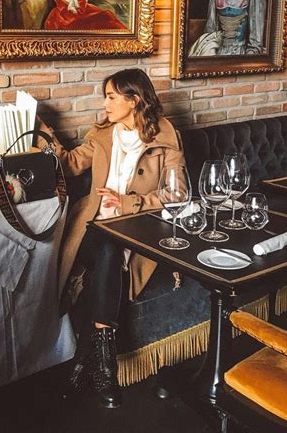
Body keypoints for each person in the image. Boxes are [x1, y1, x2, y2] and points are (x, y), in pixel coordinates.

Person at [37, 68, 186, 408]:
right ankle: (103, 368)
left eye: (111, 97)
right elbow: (71, 164)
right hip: (91, 225)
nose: (104, 104)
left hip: (137, 228)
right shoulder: (103, 134)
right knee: (105, 242)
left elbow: (177, 195)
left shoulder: (165, 136)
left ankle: (87, 365)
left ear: (134, 100)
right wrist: (41, 129)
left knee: (110, 247)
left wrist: (129, 203)